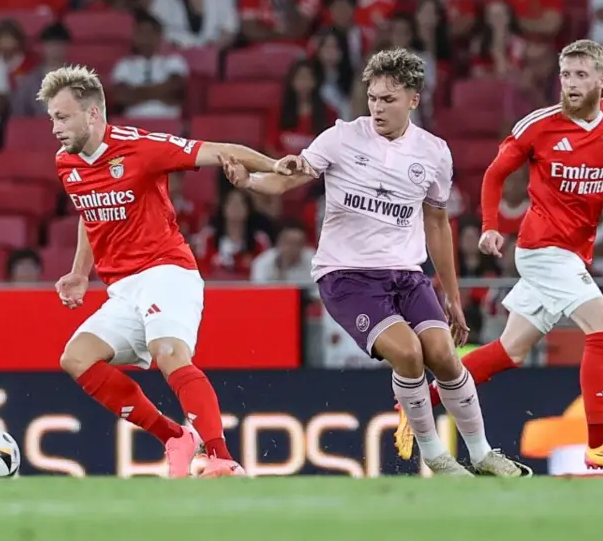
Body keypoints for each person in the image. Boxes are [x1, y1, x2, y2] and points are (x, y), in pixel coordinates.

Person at [222, 48, 526, 477]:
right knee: (408, 354)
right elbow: (287, 177)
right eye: (373, 98)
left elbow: (438, 224)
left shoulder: (434, 152)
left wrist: (453, 298)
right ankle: (437, 456)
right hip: (346, 276)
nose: (378, 107)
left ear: (413, 101)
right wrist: (250, 180)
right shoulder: (341, 137)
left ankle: (481, 454)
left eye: (389, 99)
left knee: (442, 354)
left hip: (407, 274)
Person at [396, 39, 603, 472]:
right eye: (566, 74)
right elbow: (495, 174)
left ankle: (418, 401)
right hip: (542, 249)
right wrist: (491, 225)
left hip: (573, 252)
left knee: (509, 351)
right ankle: (599, 442)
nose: (570, 83)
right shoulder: (538, 125)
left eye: (581, 75)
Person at [38, 65, 282, 479]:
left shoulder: (141, 148)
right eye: (52, 120)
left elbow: (220, 149)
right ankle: (174, 436)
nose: (56, 128)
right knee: (76, 358)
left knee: (170, 354)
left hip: (167, 270)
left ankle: (222, 458)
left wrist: (277, 167)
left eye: (63, 117)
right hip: (123, 288)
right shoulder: (67, 163)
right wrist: (81, 272)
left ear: (93, 114)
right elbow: (88, 210)